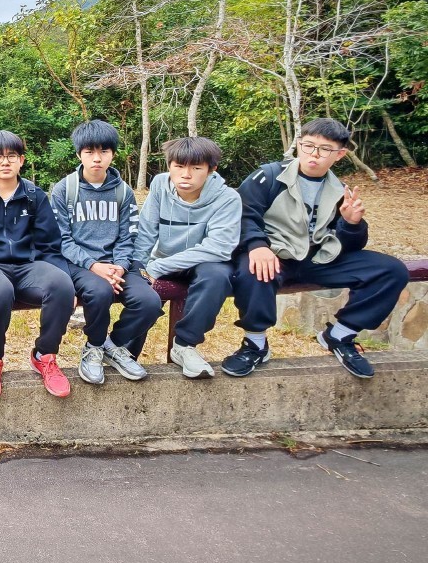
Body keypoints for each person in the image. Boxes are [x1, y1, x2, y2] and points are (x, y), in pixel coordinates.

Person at [225, 118, 410, 379]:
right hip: (276, 253)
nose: (314, 154)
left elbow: (350, 246)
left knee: (391, 270)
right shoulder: (269, 176)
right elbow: (242, 215)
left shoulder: (339, 190)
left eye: (325, 149)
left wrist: (351, 224)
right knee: (253, 270)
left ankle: (340, 335)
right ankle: (255, 344)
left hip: (318, 257)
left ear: (339, 155)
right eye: (308, 146)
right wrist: (256, 245)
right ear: (299, 144)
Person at [0, 131, 75, 400]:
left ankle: (44, 355)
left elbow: (49, 244)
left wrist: (66, 279)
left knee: (62, 285)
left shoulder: (34, 195)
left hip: (27, 265)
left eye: (12, 156)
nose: (5, 162)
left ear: (21, 160)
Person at [50, 120, 162, 384]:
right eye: (89, 152)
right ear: (79, 154)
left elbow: (128, 236)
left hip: (118, 264)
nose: (97, 158)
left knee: (149, 302)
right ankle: (93, 347)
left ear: (113, 154)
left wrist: (120, 266)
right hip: (80, 264)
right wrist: (93, 266)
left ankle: (111, 346)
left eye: (104, 151)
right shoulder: (65, 189)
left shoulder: (123, 192)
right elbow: (61, 239)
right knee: (99, 292)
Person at [133, 137, 241, 379]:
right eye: (179, 166)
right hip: (162, 260)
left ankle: (185, 345)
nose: (186, 174)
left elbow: (219, 248)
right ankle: (125, 352)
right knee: (142, 293)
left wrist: (158, 267)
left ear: (211, 169)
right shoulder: (160, 185)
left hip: (202, 264)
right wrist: (140, 268)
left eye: (196, 168)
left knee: (217, 276)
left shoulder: (227, 198)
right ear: (169, 165)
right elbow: (146, 231)